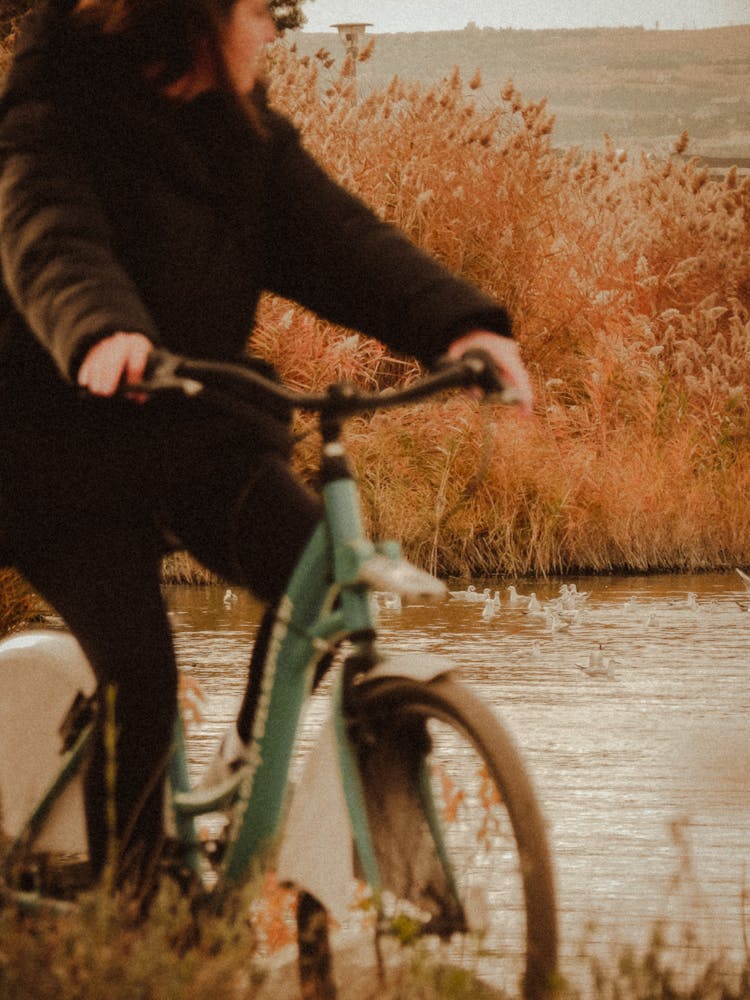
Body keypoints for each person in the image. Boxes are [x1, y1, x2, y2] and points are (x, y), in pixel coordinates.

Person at [0, 0, 533, 902]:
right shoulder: (51, 107)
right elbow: (51, 237)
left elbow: (343, 242)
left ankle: (243, 765)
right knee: (142, 673)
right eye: (261, 9)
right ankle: (137, 924)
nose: (277, 28)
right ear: (194, 17)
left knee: (319, 574)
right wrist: (99, 333)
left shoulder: (242, 138)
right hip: (56, 455)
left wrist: (462, 327)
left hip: (189, 434)